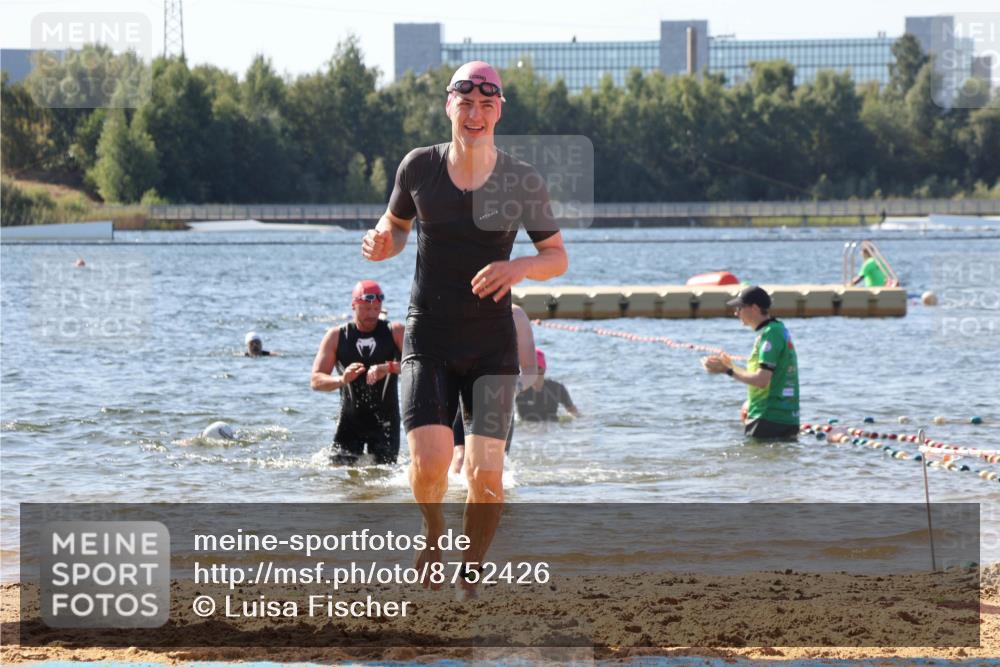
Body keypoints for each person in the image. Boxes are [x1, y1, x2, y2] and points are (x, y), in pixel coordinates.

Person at [362, 60, 568, 599]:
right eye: (465, 103)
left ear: (498, 110)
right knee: (429, 466)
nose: (475, 114)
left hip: (490, 344)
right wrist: (383, 239)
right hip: (428, 335)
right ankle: (433, 533)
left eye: (486, 104)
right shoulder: (419, 168)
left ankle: (471, 570)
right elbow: (398, 226)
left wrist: (517, 267)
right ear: (449, 105)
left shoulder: (520, 179)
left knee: (486, 477)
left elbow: (556, 256)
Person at [311, 280, 404, 465]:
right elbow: (315, 380)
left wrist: (388, 368)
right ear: (354, 306)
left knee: (384, 479)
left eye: (376, 308)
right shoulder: (337, 336)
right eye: (365, 308)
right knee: (340, 479)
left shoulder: (395, 332)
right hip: (350, 422)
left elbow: (419, 366)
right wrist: (342, 379)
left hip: (385, 423)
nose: (372, 314)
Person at [702, 285, 800, 440]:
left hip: (768, 419)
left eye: (740, 308)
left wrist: (727, 371)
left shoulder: (770, 335)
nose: (736, 313)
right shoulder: (777, 329)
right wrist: (731, 366)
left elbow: (761, 380)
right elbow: (764, 376)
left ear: (754, 308)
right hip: (784, 419)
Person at [450, 303, 537, 474]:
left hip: (499, 397)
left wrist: (514, 387)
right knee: (460, 458)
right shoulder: (460, 308)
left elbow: (530, 370)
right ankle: (454, 499)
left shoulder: (516, 315)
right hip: (463, 395)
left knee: (492, 467)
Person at [515, 347, 579, 421]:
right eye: (527, 368)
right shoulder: (518, 388)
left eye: (536, 368)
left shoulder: (557, 388)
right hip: (525, 430)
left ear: (543, 369)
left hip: (552, 428)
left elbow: (573, 411)